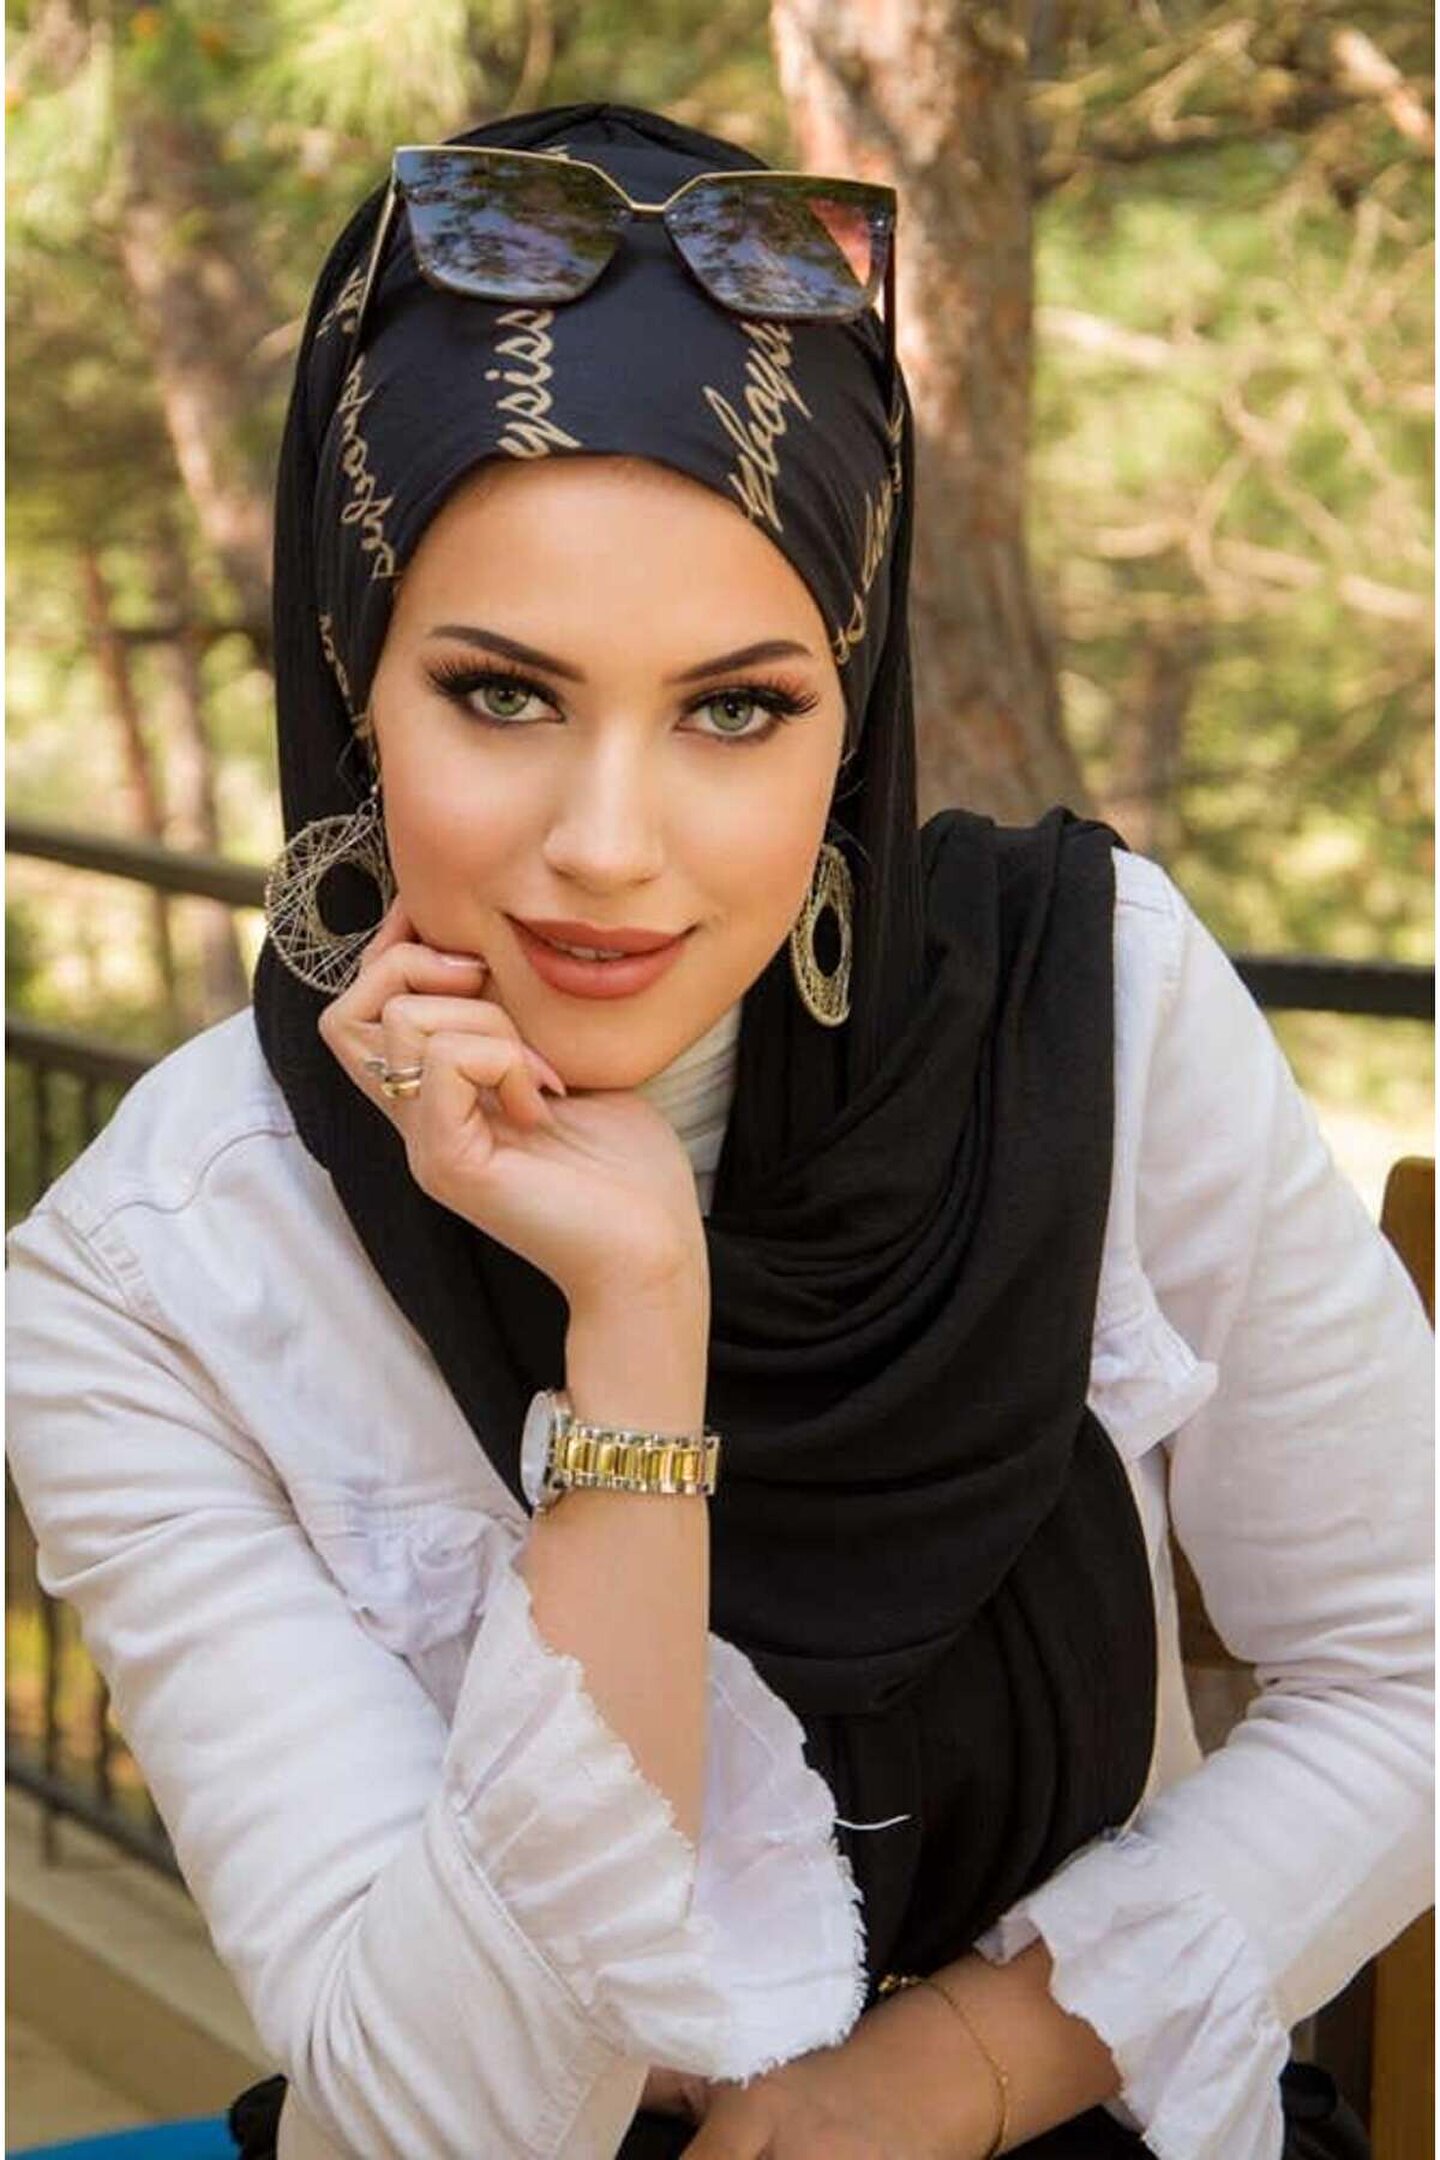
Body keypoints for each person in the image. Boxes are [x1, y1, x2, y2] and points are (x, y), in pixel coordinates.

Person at [5, 98, 1430, 2160]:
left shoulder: (1083, 1015)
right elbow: (438, 2125)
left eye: (737, 709)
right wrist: (637, 1327)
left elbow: (1410, 1673)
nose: (610, 846)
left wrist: (955, 2074)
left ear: (849, 720)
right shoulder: (154, 1272)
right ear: (352, 676)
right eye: (502, 694)